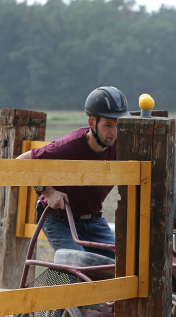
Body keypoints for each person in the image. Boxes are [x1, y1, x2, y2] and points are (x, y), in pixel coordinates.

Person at [16, 86, 130, 259]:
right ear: (92, 123)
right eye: (108, 125)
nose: (114, 133)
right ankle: (63, 283)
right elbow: (20, 163)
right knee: (75, 263)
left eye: (118, 126)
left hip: (95, 221)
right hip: (60, 219)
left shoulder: (122, 146)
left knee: (124, 263)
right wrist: (49, 192)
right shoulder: (68, 146)